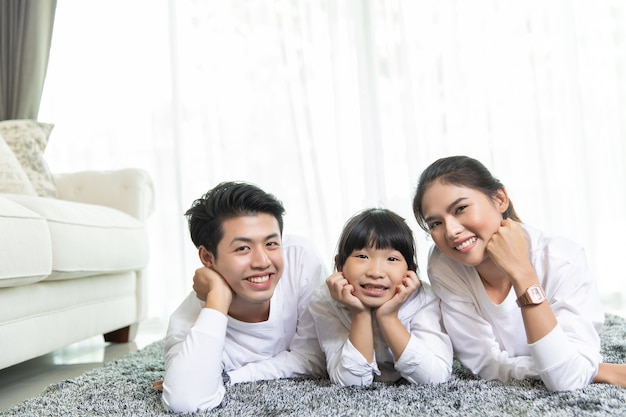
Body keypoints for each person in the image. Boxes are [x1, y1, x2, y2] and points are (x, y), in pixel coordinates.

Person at [412, 155, 626, 391]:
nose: (451, 231)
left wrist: (522, 274)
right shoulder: (445, 264)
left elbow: (565, 381)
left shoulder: (564, 260)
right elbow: (484, 363)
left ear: (500, 199)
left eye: (461, 208)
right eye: (435, 224)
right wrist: (591, 370)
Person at [158, 181, 328, 412]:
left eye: (271, 243)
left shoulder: (300, 259)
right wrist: (218, 296)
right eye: (242, 249)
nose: (263, 262)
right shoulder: (187, 325)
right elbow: (184, 402)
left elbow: (315, 359)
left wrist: (232, 376)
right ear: (207, 258)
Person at [309, 208, 453, 386]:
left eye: (392, 259)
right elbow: (350, 383)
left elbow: (434, 378)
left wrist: (388, 317)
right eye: (362, 256)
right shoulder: (325, 300)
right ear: (339, 265)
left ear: (410, 271)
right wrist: (360, 314)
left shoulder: (424, 298)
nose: (376, 272)